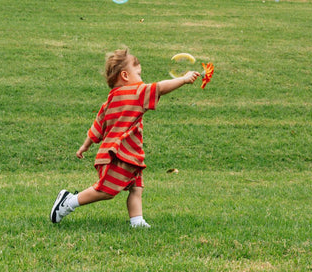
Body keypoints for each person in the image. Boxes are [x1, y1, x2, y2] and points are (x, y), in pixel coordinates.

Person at [50, 49, 200, 227]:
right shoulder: (136, 92)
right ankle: (69, 202)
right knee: (106, 191)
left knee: (136, 188)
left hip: (129, 154)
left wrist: (85, 145)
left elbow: (97, 126)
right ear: (125, 75)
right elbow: (160, 87)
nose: (142, 79)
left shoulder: (111, 100)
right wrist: (183, 79)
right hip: (119, 154)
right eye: (138, 74)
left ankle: (137, 221)